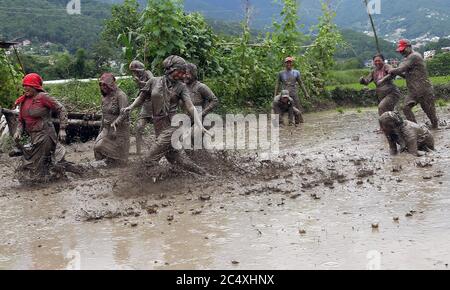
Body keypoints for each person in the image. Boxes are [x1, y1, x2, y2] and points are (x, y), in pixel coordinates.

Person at [122, 55, 207, 175]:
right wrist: (130, 107)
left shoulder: (181, 87)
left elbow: (191, 107)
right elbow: (141, 98)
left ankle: (155, 182)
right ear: (170, 69)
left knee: (148, 158)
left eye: (184, 72)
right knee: (176, 159)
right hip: (159, 125)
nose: (183, 75)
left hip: (173, 126)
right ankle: (204, 173)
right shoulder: (153, 81)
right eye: (180, 71)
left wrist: (199, 124)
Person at [13, 73, 68, 181]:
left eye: (27, 85)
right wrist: (18, 132)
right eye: (24, 85)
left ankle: (42, 186)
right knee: (39, 164)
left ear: (35, 86)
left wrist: (62, 128)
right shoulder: (23, 101)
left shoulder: (43, 97)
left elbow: (61, 109)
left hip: (46, 135)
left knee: (35, 167)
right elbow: (21, 121)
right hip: (33, 136)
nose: (25, 88)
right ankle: (52, 178)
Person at [387, 39, 439, 129]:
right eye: (400, 51)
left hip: (423, 89)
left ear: (409, 47)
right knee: (405, 108)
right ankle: (415, 128)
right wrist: (395, 72)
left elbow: (400, 69)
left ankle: (434, 126)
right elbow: (405, 75)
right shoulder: (408, 58)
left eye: (403, 50)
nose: (402, 52)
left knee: (430, 112)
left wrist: (391, 69)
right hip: (414, 91)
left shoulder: (414, 56)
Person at [94, 73, 130, 165]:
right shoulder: (104, 97)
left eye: (105, 84)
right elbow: (104, 115)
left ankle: (114, 166)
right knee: (97, 148)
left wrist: (116, 123)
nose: (103, 87)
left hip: (118, 131)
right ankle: (102, 167)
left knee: (101, 147)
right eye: (101, 84)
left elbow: (124, 113)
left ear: (111, 84)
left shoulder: (121, 96)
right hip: (106, 129)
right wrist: (101, 130)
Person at [274, 56, 311, 124]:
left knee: (297, 109)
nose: (288, 64)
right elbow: (277, 84)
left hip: (294, 93)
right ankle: (282, 122)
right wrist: (275, 95)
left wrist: (306, 93)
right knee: (281, 109)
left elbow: (301, 83)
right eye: (287, 63)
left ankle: (300, 123)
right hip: (284, 95)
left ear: (292, 63)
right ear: (284, 64)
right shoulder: (281, 73)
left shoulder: (296, 72)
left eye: (290, 62)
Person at [129, 60, 154, 155]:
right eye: (133, 71)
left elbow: (153, 85)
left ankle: (159, 149)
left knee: (159, 129)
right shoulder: (138, 77)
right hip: (145, 105)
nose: (134, 73)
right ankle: (138, 152)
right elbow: (142, 92)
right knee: (139, 127)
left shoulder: (148, 73)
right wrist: (137, 97)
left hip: (155, 104)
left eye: (135, 71)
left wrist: (140, 82)